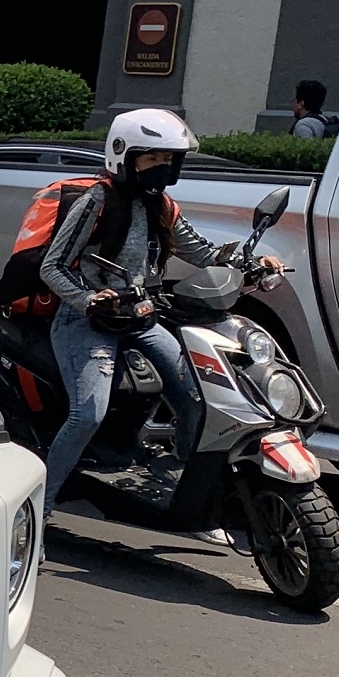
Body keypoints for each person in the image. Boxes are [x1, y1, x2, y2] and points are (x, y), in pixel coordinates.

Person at [37, 108, 275, 516]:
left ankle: (190, 495)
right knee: (87, 414)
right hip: (87, 321)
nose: (162, 168)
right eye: (152, 158)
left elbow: (203, 253)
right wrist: (88, 299)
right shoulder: (96, 202)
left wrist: (252, 261)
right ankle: (40, 508)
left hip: (141, 316)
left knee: (194, 396)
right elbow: (52, 266)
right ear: (124, 156)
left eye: (169, 160)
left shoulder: (162, 206)